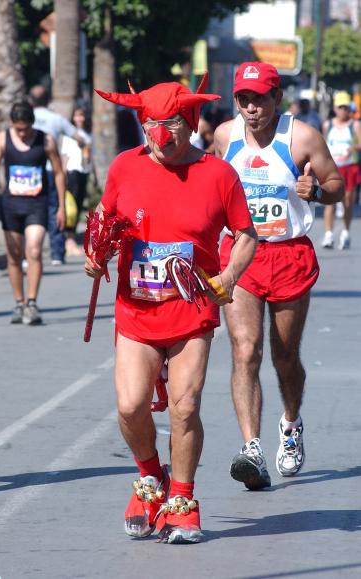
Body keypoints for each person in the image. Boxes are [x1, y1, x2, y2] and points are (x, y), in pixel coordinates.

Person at [85, 76, 257, 543]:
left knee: (185, 407)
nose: (162, 136)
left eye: (173, 125)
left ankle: (182, 500)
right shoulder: (125, 166)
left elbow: (246, 236)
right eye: (153, 125)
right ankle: (149, 477)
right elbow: (104, 221)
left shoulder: (219, 174)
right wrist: (96, 253)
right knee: (129, 404)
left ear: (191, 124)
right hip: (137, 311)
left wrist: (227, 278)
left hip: (192, 310)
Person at [214, 62, 344, 490]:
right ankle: (251, 446)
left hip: (289, 254)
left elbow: (338, 184)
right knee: (245, 348)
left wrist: (318, 192)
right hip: (241, 254)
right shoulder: (224, 137)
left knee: (284, 356)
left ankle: (290, 424)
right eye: (244, 100)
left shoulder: (301, 137)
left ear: (277, 99)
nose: (252, 109)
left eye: (261, 99)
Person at [0, 101, 66, 324]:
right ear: (12, 124)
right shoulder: (3, 139)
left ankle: (32, 302)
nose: (22, 133)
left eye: (26, 128)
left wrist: (62, 207)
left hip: (37, 204)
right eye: (18, 129)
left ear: (32, 124)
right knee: (14, 256)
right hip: (11, 205)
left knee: (35, 250)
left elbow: (58, 173)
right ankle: (19, 302)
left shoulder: (45, 140)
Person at [28, 85, 85, 265]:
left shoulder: (26, 118)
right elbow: (78, 137)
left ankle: (28, 253)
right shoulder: (56, 119)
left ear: (31, 100)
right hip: (52, 169)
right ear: (48, 99)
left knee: (28, 210)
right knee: (55, 210)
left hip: (29, 171)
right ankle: (57, 254)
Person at [321, 91, 361, 250]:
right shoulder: (327, 124)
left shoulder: (355, 125)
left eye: (345, 107)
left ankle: (345, 231)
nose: (343, 110)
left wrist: (352, 148)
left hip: (349, 167)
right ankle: (328, 234)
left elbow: (360, 144)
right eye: (340, 107)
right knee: (329, 200)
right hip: (332, 168)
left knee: (347, 202)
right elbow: (323, 144)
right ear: (335, 108)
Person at [61, 106, 93, 256]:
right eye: (77, 116)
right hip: (72, 171)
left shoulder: (88, 134)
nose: (81, 118)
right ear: (73, 118)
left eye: (82, 115)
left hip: (83, 171)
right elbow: (65, 155)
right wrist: (63, 174)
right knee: (70, 207)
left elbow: (89, 155)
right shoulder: (70, 134)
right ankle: (69, 240)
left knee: (78, 205)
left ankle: (71, 239)